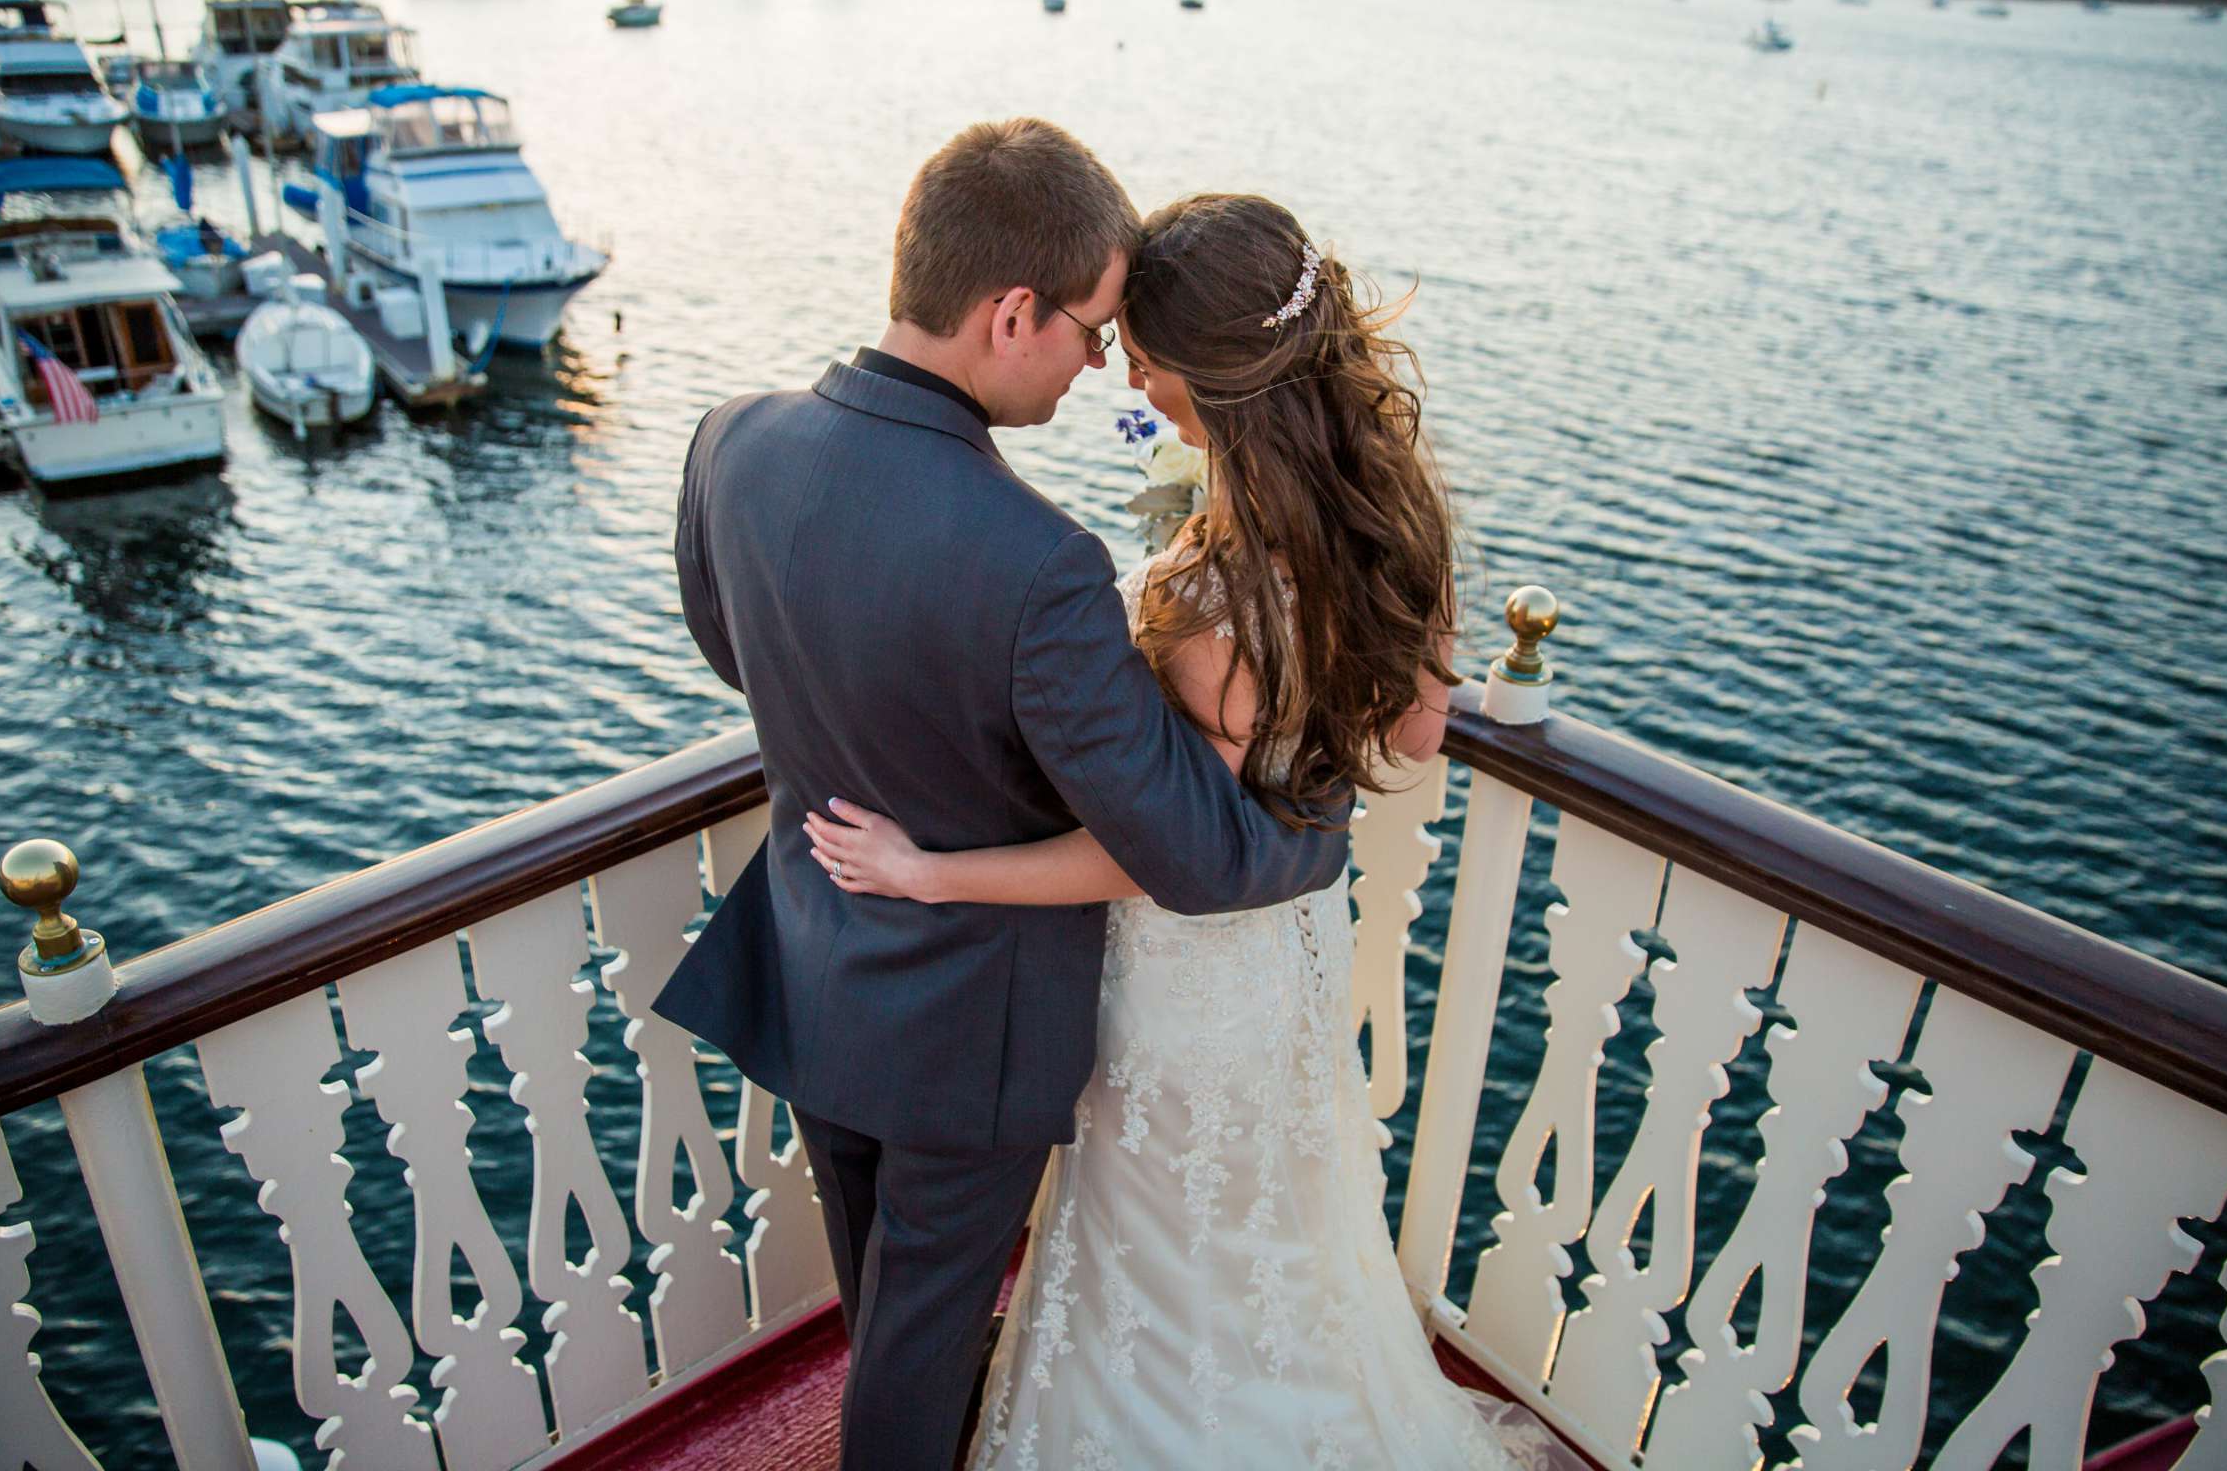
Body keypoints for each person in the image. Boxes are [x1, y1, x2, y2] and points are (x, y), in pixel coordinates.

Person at [804, 193, 1585, 1469]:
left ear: (1205, 376)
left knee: (1158, 1254)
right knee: (1275, 1244)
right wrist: (1302, 756)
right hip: (1290, 960)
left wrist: (932, 871)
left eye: (1141, 352)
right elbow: (1423, 731)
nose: (1125, 371)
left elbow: (1156, 857)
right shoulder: (1395, 511)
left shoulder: (1206, 598)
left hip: (1178, 984)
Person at [649, 128, 1350, 1471]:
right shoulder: (1040, 563)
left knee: (881, 1307)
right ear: (1008, 312)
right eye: (1092, 332)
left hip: (813, 954)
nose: (1103, 368)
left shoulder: (729, 440)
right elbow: (1194, 854)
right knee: (915, 1356)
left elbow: (728, 645)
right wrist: (1316, 841)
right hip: (968, 1028)